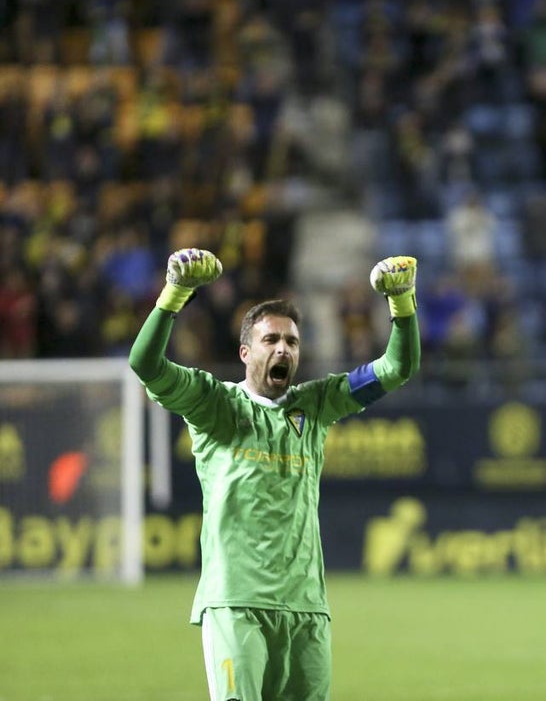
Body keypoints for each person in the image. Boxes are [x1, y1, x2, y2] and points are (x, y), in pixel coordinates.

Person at [128, 248, 421, 701]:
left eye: (292, 342)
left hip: (306, 606)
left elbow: (397, 368)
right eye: (271, 341)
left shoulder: (317, 405)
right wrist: (175, 293)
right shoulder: (215, 404)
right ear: (245, 352)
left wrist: (401, 305)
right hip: (236, 603)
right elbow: (145, 364)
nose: (284, 348)